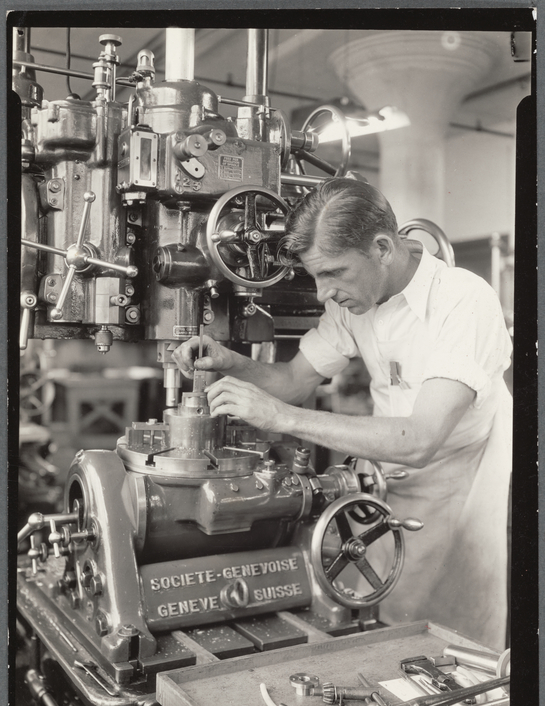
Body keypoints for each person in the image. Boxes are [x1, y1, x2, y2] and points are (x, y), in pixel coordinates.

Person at [173, 178, 513, 651]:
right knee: (389, 625)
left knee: (456, 642)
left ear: (382, 248)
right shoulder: (357, 304)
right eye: (316, 275)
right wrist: (230, 361)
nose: (322, 293)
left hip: (462, 490)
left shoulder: (463, 301)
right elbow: (292, 381)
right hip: (392, 486)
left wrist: (283, 418)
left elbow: (419, 439)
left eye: (334, 272)